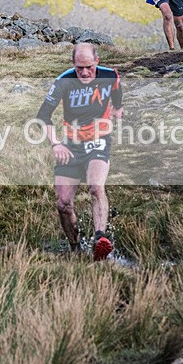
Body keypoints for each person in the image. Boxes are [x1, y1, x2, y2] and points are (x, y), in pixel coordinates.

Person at [36, 43, 124, 261]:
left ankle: (100, 240)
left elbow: (117, 92)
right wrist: (56, 144)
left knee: (95, 187)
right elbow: (43, 115)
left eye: (89, 67)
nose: (84, 72)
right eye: (79, 68)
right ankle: (75, 248)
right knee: (63, 204)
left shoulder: (109, 75)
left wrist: (117, 107)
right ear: (73, 65)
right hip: (71, 144)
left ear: (97, 61)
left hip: (99, 140)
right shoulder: (64, 81)